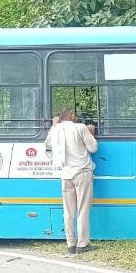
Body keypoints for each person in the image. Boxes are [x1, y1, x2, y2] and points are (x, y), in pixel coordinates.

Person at [45, 108, 98, 255]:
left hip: (65, 175)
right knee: (83, 209)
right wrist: (91, 133)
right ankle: (83, 244)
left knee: (68, 212)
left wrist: (54, 125)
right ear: (69, 116)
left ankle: (70, 244)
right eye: (74, 114)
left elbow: (48, 145)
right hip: (82, 173)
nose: (76, 116)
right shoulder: (80, 128)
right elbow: (93, 148)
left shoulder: (56, 130)